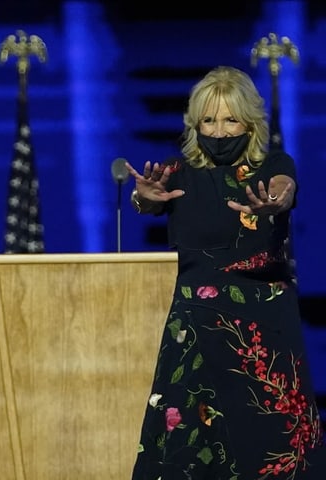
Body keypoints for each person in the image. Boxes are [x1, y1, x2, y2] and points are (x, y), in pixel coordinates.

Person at [125, 65, 325, 479]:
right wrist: (143, 200)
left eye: (230, 118)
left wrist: (276, 199)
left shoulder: (272, 166)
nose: (218, 131)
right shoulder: (176, 176)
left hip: (262, 333)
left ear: (250, 123)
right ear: (194, 124)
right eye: (208, 120)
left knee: (267, 444)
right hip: (196, 330)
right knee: (189, 451)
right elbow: (150, 201)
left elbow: (284, 188)